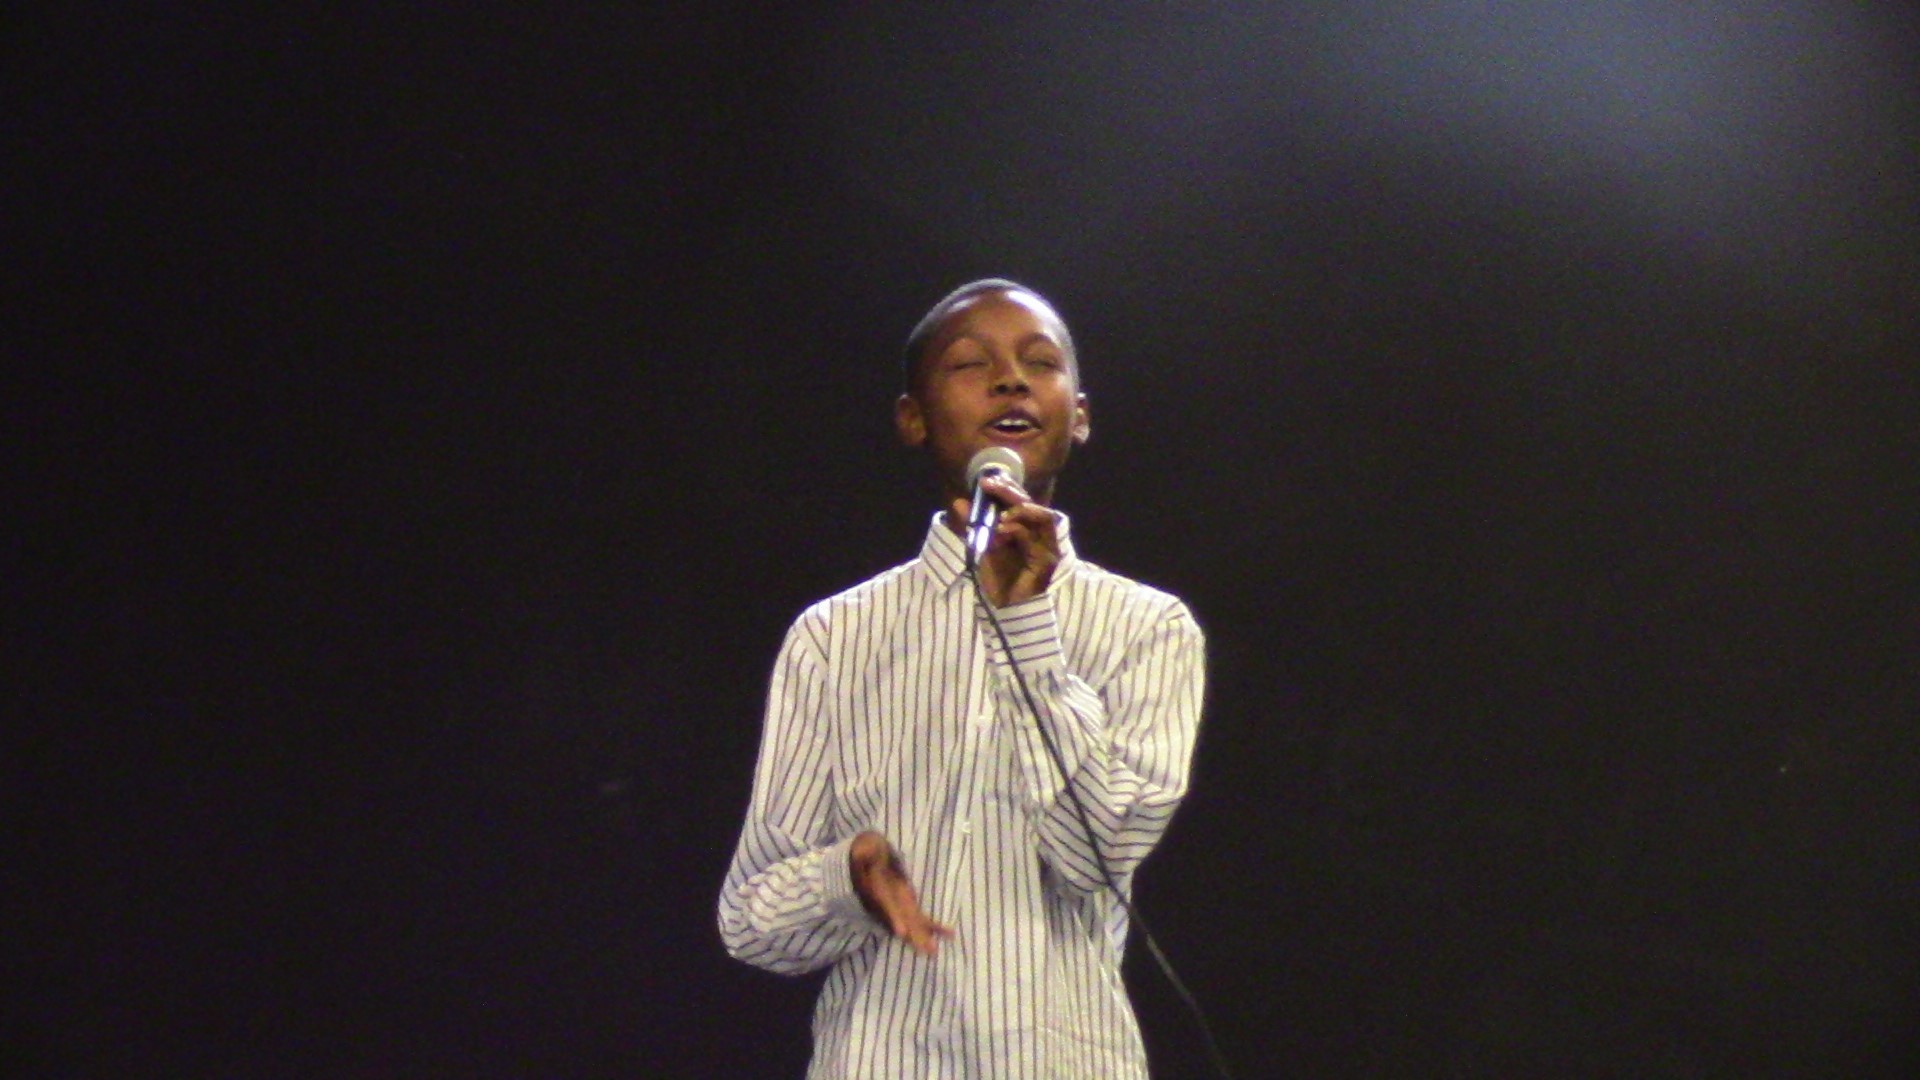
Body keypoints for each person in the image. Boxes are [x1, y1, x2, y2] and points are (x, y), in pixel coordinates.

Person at [717, 279, 1206, 1079]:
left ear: (1080, 414)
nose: (1011, 381)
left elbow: (1097, 855)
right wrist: (847, 879)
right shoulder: (835, 637)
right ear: (913, 418)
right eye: (972, 364)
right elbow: (752, 921)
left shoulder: (1148, 627)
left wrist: (1027, 626)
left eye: (1040, 363)